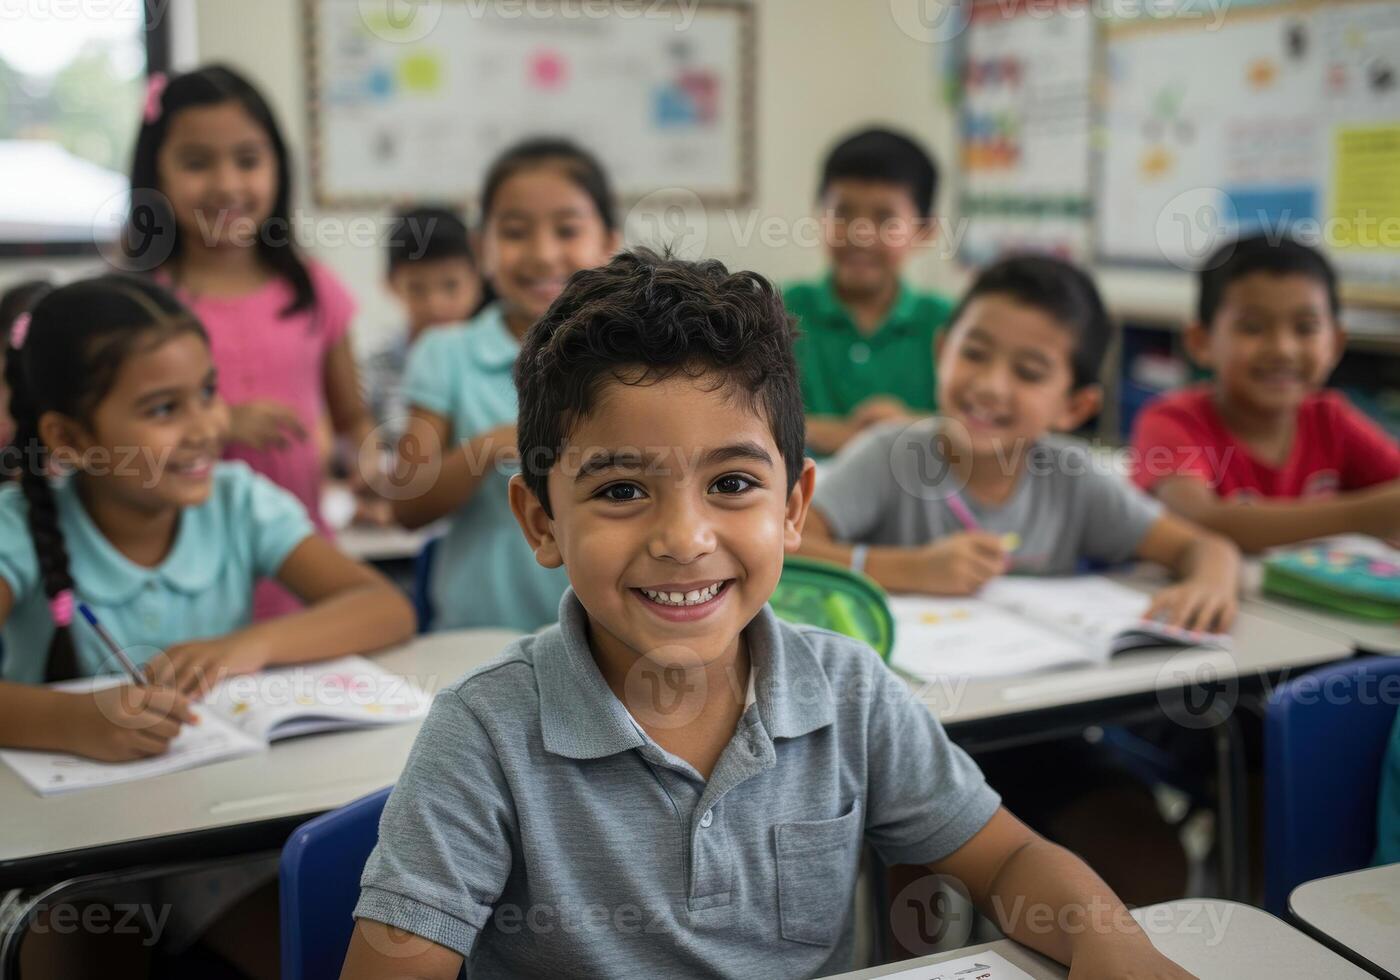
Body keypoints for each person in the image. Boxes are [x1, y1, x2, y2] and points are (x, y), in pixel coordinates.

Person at [340, 250, 1192, 980]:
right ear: (541, 522)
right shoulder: (484, 732)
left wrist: (1105, 936)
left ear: (794, 508)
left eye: (733, 485)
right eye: (622, 490)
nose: (684, 538)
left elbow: (1007, 859)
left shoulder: (850, 691)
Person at [0, 275, 414, 978]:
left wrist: (245, 645)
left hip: (212, 837)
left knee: (309, 946)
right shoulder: (16, 529)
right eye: (163, 408)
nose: (205, 427)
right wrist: (78, 724)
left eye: (209, 392)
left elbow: (385, 607)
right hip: (75, 859)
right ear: (69, 437)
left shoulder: (238, 501)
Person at [127, 64, 379, 615]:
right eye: (197, 163)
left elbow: (351, 419)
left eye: (248, 159)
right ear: (156, 173)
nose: (226, 184)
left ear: (277, 166)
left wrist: (368, 465)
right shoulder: (140, 304)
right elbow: (117, 445)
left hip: (300, 563)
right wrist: (223, 422)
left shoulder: (311, 288)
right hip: (183, 574)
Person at [391, 138, 619, 631]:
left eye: (567, 230)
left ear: (608, 243)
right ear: (481, 248)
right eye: (515, 232)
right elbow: (407, 505)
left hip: (607, 639)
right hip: (478, 639)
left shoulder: (631, 361)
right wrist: (491, 444)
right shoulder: (444, 353)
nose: (541, 255)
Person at [1131, 235, 1400, 551]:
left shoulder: (1331, 419)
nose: (1282, 349)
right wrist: (1362, 517)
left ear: (1335, 344)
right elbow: (1197, 520)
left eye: (1305, 328)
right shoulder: (1172, 421)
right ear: (1200, 341)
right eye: (1253, 327)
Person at [785, 127, 955, 455]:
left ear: (925, 231)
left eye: (885, 218)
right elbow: (735, 419)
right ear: (819, 215)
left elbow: (983, 434)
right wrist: (834, 434)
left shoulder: (951, 325)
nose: (860, 235)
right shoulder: (774, 312)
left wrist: (911, 427)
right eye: (843, 213)